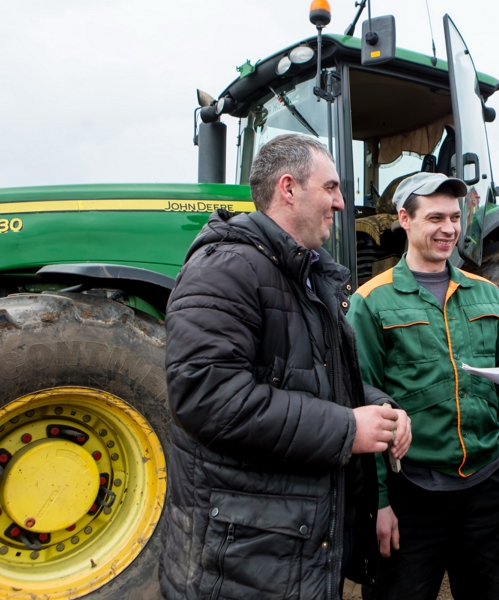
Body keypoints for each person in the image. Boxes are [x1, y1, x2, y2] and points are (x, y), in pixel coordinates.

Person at [159, 134, 411, 600]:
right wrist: (345, 429)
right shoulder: (226, 269)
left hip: (291, 546)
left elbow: (317, 379)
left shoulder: (310, 276)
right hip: (240, 561)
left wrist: (380, 408)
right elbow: (206, 397)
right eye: (331, 187)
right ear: (289, 188)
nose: (340, 202)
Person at [347, 172, 499, 600]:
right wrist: (380, 503)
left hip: (487, 489)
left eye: (454, 217)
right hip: (413, 496)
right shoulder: (372, 301)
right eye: (435, 218)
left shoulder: (487, 295)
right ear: (404, 219)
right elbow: (363, 404)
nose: (448, 228)